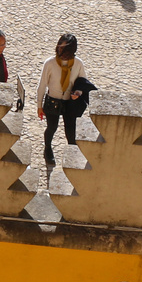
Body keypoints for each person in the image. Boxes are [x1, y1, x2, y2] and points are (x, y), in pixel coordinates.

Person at [36, 33, 88, 176]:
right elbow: (42, 85)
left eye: (65, 51)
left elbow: (83, 82)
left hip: (69, 103)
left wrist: (77, 92)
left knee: (71, 132)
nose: (62, 54)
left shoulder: (78, 64)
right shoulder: (50, 63)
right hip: (53, 100)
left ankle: (72, 158)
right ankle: (47, 149)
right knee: (51, 127)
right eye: (60, 50)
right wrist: (39, 105)